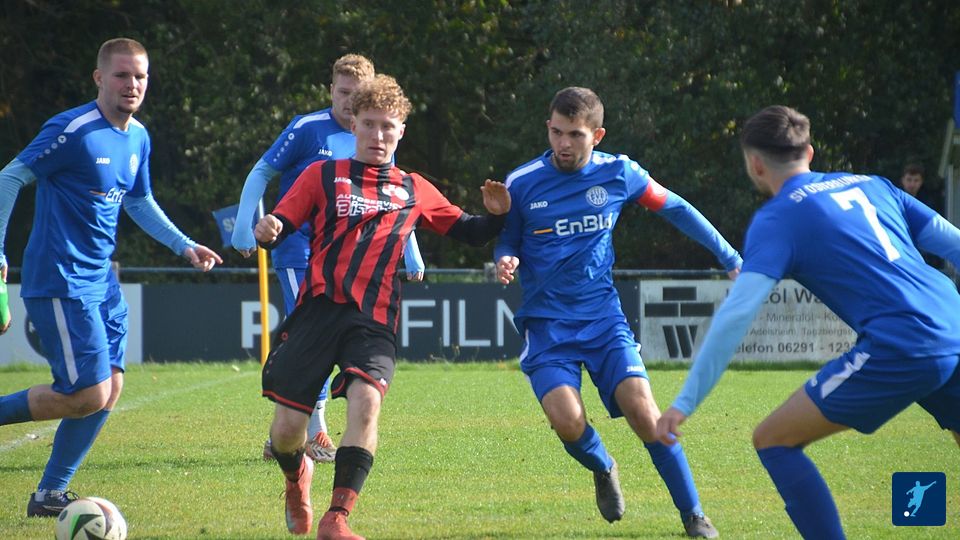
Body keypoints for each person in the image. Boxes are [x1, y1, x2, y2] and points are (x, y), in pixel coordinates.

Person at [656, 105, 960, 539]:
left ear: (755, 164)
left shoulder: (778, 218)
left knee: (773, 439)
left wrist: (684, 402)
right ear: (810, 153)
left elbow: (736, 317)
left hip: (903, 342)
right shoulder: (873, 185)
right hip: (953, 320)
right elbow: (954, 244)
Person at [254, 74, 510, 539]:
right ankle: (297, 476)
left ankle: (337, 519)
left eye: (387, 126)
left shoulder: (414, 187)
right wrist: (269, 228)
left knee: (367, 402)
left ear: (401, 131)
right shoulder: (322, 175)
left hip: (374, 319)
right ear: (353, 125)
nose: (378, 135)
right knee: (287, 431)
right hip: (318, 311)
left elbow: (468, 231)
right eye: (369, 124)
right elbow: (283, 221)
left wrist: (496, 216)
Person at [494, 87, 739, 538]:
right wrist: (505, 257)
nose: (563, 143)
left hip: (604, 319)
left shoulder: (619, 173)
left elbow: (677, 208)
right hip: (547, 325)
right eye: (556, 132)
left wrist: (729, 258)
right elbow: (508, 237)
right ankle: (603, 465)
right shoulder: (522, 182)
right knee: (567, 421)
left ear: (598, 135)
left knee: (644, 412)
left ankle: (694, 515)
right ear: (547, 127)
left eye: (575, 134)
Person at [0, 37, 223, 517]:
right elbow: (9, 176)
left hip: (101, 282)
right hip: (61, 280)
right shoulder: (73, 129)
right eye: (122, 75)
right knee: (87, 394)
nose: (132, 84)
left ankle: (49, 495)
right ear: (99, 78)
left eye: (140, 76)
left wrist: (183, 245)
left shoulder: (138, 136)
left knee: (111, 389)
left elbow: (138, 201)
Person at [232, 54, 425, 464]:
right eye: (342, 92)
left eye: (357, 94)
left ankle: (286, 434)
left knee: (336, 339)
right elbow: (261, 172)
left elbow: (395, 197)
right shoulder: (307, 128)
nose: (348, 102)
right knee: (311, 331)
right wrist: (244, 227)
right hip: (297, 247)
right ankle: (315, 431)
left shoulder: (375, 134)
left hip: (348, 257)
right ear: (331, 90)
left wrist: (412, 250)